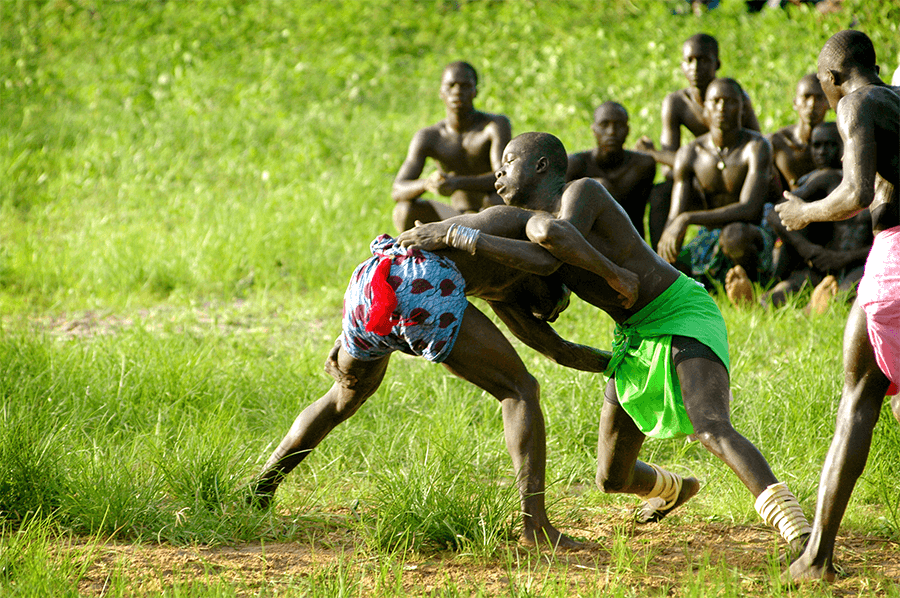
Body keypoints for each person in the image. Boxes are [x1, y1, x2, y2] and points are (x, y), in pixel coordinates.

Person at [398, 132, 812, 558]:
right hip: (633, 336)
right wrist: (600, 360)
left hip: (679, 310)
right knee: (611, 478)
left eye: (508, 160)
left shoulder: (583, 191)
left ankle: (799, 531)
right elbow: (546, 324)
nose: (497, 171)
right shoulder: (527, 230)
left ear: (541, 166)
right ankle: (673, 489)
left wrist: (458, 234)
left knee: (709, 425)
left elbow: (553, 252)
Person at [249, 230, 637, 549]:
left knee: (341, 398)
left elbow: (558, 350)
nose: (550, 313)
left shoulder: (504, 286)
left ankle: (260, 489)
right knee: (520, 391)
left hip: (373, 283)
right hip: (423, 280)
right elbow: (548, 255)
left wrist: (622, 361)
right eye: (556, 303)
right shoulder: (514, 232)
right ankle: (535, 527)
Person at [773, 30, 900, 583]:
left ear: (830, 79)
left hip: (894, 261)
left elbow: (855, 193)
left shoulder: (855, 103)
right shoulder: (897, 100)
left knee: (858, 402)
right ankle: (816, 556)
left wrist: (803, 212)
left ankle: (817, 557)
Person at [636, 33, 761, 250]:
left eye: (703, 60)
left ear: (717, 63)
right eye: (690, 60)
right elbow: (672, 165)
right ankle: (663, 259)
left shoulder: (735, 98)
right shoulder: (676, 103)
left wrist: (654, 154)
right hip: (704, 176)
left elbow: (755, 147)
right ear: (682, 65)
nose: (696, 67)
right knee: (662, 193)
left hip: (738, 178)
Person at [657, 78, 777, 294]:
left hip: (750, 233)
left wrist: (689, 218)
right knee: (666, 263)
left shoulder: (756, 147)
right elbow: (675, 215)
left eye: (730, 101)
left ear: (742, 108)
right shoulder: (691, 152)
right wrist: (665, 250)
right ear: (705, 109)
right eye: (716, 101)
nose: (722, 108)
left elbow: (750, 209)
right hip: (709, 235)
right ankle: (715, 289)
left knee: (734, 236)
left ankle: (752, 284)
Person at [736, 122, 871, 310]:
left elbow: (891, 241)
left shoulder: (884, 186)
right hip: (821, 264)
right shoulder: (824, 180)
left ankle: (814, 309)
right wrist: (809, 250)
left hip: (860, 264)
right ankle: (750, 305)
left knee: (846, 299)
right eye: (817, 145)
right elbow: (777, 212)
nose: (823, 152)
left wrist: (843, 258)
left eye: (830, 145)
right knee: (778, 297)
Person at [391, 61, 512, 232]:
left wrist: (456, 182)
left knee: (498, 200)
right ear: (441, 92)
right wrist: (427, 183)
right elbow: (398, 189)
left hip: (491, 212)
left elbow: (505, 179)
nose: (457, 91)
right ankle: (415, 257)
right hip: (456, 214)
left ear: (475, 91)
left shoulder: (494, 126)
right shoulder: (429, 137)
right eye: (451, 86)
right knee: (404, 210)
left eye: (465, 86)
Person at [566, 101, 657, 240]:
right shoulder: (575, 165)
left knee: (662, 192)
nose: (612, 132)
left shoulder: (642, 166)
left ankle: (664, 257)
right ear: (594, 130)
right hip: (588, 244)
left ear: (627, 130)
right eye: (604, 125)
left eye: (619, 125)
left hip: (632, 243)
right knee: (599, 185)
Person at [767, 74, 831, 191]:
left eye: (819, 98)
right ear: (795, 102)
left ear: (830, 103)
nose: (812, 104)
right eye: (806, 97)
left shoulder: (839, 140)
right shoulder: (777, 142)